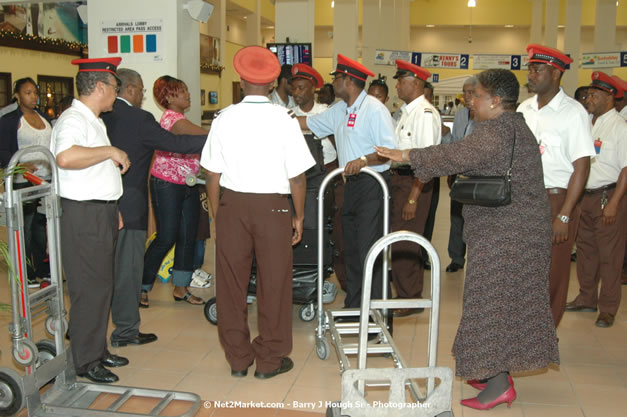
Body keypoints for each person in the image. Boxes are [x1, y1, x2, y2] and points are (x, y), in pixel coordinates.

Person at [376, 68, 559, 411]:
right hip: (513, 232)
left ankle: (498, 383)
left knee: (492, 307)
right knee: (500, 305)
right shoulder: (512, 126)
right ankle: (490, 371)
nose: (470, 101)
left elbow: (454, 155)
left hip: (509, 237)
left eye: (476, 96)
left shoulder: (497, 132)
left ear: (496, 100)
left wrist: (405, 155)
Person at [201, 45, 314, 379]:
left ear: (240, 80)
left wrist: (216, 218)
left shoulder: (223, 118)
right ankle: (269, 360)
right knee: (274, 282)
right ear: (272, 82)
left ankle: (238, 358)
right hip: (274, 207)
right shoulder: (284, 120)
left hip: (232, 205)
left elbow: (212, 175)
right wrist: (299, 215)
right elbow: (297, 177)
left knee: (231, 284)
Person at [100, 68, 207, 347]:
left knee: (186, 237)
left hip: (104, 202)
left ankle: (178, 289)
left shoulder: (101, 116)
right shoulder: (149, 118)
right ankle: (133, 309)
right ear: (132, 89)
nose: (143, 96)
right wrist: (219, 136)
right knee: (148, 251)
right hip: (143, 195)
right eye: (142, 90)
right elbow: (175, 142)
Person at [50, 57, 131, 383]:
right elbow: (66, 157)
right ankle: (85, 360)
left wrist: (113, 207)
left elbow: (92, 172)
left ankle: (97, 349)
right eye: (114, 87)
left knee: (101, 285)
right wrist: (111, 152)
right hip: (82, 215)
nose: (116, 94)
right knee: (88, 288)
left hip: (100, 211)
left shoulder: (92, 119)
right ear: (100, 87)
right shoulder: (73, 119)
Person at [298, 54, 397, 310]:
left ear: (349, 81)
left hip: (373, 185)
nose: (333, 85)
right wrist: (275, 119)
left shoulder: (375, 109)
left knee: (368, 250)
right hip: (349, 185)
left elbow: (390, 151)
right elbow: (308, 123)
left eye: (337, 79)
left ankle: (374, 315)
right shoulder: (340, 109)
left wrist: (364, 160)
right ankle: (355, 308)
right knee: (351, 249)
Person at [517, 44, 595, 328]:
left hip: (556, 199)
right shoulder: (524, 109)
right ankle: (525, 328)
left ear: (556, 73)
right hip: (524, 199)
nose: (531, 74)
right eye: (530, 69)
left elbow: (582, 167)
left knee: (554, 271)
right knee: (525, 268)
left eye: (537, 69)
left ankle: (546, 332)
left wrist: (564, 214)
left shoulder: (573, 113)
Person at [565, 72, 627, 328]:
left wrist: (614, 203)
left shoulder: (620, 127)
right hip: (585, 197)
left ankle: (608, 307)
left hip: (608, 197)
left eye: (593, 95)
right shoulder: (587, 123)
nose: (588, 99)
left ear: (609, 97)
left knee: (610, 256)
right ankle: (586, 297)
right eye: (588, 94)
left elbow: (626, 168)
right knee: (586, 253)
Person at [141, 76, 207, 306]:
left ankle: (181, 288)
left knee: (187, 236)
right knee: (167, 236)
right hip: (166, 183)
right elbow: (201, 135)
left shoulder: (182, 118)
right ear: (169, 97)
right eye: (182, 91)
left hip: (189, 183)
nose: (188, 95)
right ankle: (142, 284)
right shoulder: (172, 119)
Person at [389, 60, 441, 317]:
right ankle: (403, 293)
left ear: (416, 83)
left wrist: (413, 197)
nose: (397, 85)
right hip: (400, 180)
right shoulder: (405, 111)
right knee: (398, 240)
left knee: (407, 241)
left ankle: (410, 298)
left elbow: (427, 161)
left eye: (401, 80)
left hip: (414, 184)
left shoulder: (425, 114)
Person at [0, 77, 52, 288]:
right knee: (25, 228)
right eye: (28, 92)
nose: (33, 96)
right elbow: (3, 150)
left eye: (35, 92)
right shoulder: (10, 119)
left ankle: (42, 268)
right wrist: (20, 163)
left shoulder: (43, 117)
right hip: (22, 181)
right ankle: (26, 271)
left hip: (45, 180)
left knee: (41, 228)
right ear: (17, 95)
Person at [441, 76, 478, 273]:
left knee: (477, 219)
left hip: (479, 178)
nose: (467, 96)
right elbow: (455, 143)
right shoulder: (461, 115)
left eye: (471, 92)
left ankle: (477, 259)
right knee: (457, 217)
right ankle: (456, 257)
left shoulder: (488, 115)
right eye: (464, 92)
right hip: (460, 175)